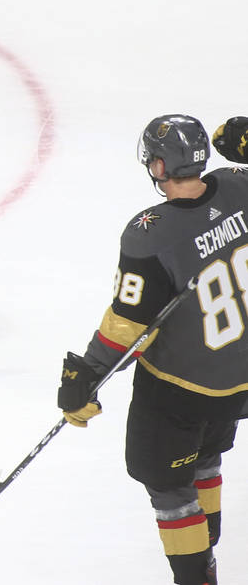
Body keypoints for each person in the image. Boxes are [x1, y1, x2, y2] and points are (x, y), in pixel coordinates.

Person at [57, 115, 248, 585]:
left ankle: (197, 573)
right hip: (238, 376)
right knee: (204, 455)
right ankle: (210, 539)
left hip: (179, 389)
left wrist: (88, 373)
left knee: (168, 485)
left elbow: (128, 323)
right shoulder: (238, 186)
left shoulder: (151, 232)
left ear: (158, 166)